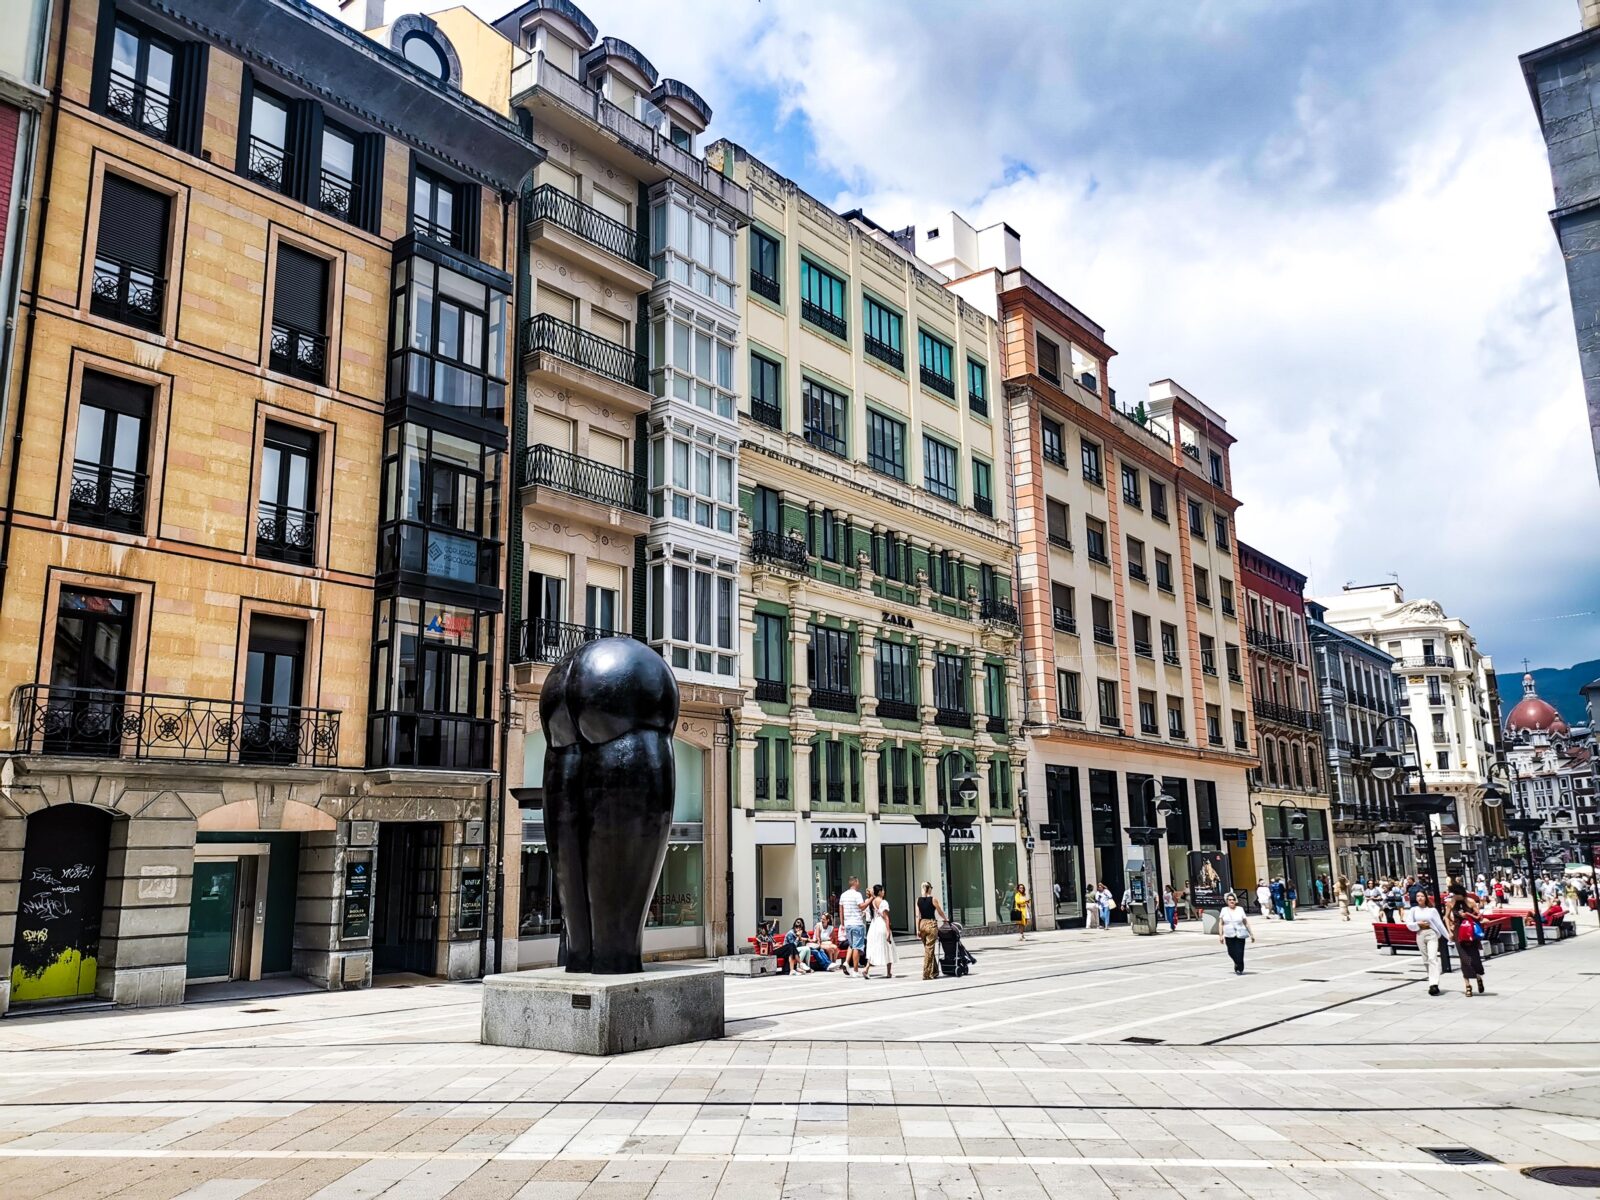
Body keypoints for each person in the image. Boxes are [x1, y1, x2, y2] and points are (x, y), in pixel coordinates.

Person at [1406, 888, 1449, 996]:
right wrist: (1418, 924)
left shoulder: (1431, 910)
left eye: (1422, 896)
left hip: (1431, 934)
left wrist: (1448, 937)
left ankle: (1434, 984)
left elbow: (1439, 924)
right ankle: (1431, 980)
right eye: (1418, 896)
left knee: (1432, 958)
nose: (1420, 898)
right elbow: (1409, 924)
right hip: (1420, 934)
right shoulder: (1413, 910)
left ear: (1426, 898)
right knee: (1425, 960)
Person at [1448, 891, 1485, 997]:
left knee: (1474, 958)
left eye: (1455, 894)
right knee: (1464, 959)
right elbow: (1446, 916)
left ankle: (1478, 977)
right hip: (1458, 932)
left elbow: (1479, 917)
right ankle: (1467, 986)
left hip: (1470, 932)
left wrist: (1467, 915)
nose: (1454, 896)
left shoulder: (1470, 902)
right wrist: (1450, 930)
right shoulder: (1451, 903)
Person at [862, 883, 895, 980]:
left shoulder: (872, 902)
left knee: (874, 947)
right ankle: (889, 972)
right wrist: (888, 931)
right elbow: (886, 917)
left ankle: (867, 968)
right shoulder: (883, 902)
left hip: (874, 925)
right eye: (883, 890)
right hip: (881, 925)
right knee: (888, 947)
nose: (884, 892)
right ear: (880, 892)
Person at [1218, 892, 1254, 974]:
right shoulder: (1224, 910)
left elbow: (1245, 922)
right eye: (1229, 900)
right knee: (1231, 952)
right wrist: (1221, 935)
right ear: (1227, 901)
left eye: (1233, 900)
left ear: (1236, 901)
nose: (1231, 901)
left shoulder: (1240, 909)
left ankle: (1239, 967)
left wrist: (1251, 934)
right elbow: (1220, 923)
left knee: (1240, 952)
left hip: (1240, 934)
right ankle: (1237, 962)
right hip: (1229, 934)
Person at [839, 876, 867, 976]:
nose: (859, 883)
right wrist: (870, 899)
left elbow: (841, 910)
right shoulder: (857, 894)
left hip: (848, 925)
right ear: (855, 882)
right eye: (858, 881)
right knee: (857, 947)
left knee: (852, 945)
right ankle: (855, 970)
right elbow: (862, 906)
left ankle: (846, 962)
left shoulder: (843, 895)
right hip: (857, 923)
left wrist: (842, 923)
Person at [917, 883, 946, 980]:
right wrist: (945, 919)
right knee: (929, 949)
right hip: (931, 924)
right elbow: (939, 911)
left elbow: (917, 916)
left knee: (928, 949)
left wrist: (917, 929)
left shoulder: (918, 900)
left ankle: (934, 971)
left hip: (922, 924)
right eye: (931, 888)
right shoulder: (933, 899)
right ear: (929, 889)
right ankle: (926, 973)